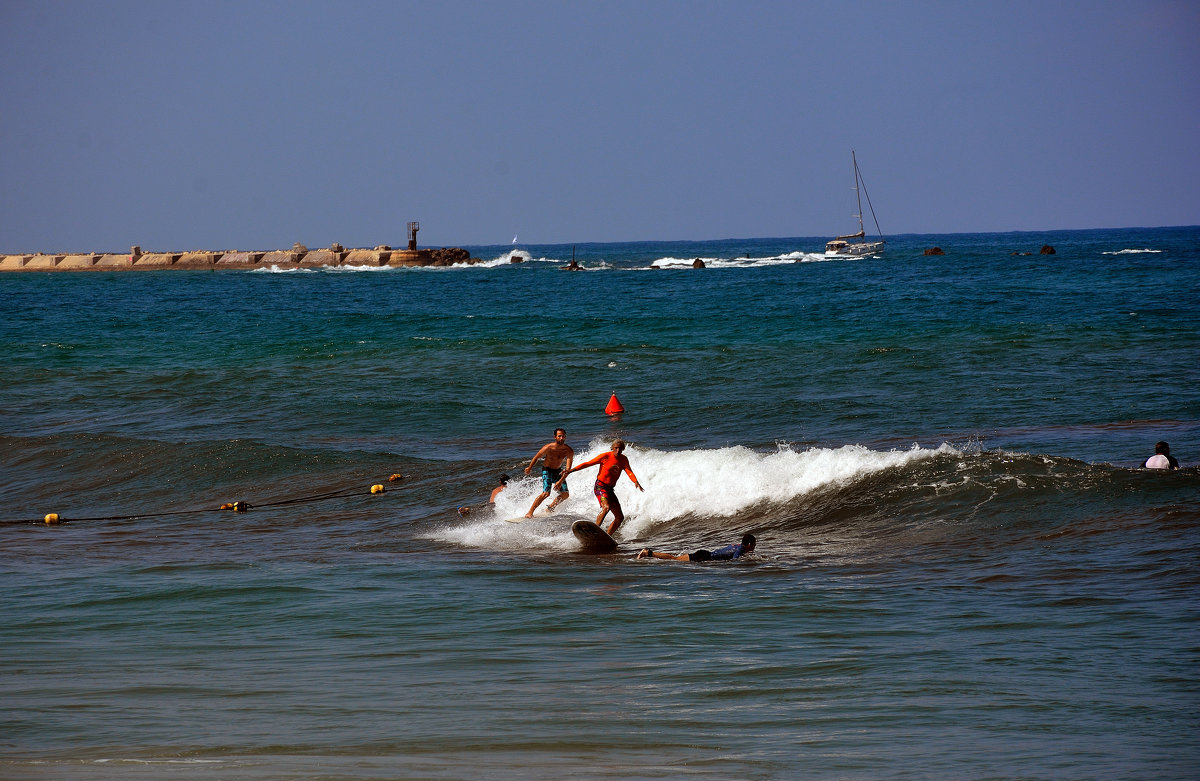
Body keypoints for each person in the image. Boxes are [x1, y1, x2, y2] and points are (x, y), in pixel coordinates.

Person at [556, 439, 643, 535]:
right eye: (616, 448)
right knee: (606, 507)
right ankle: (593, 531)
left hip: (610, 489)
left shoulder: (623, 459)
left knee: (619, 517)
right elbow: (588, 464)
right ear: (612, 448)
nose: (618, 450)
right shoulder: (605, 456)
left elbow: (629, 471)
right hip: (600, 486)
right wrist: (571, 470)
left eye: (620, 449)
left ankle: (607, 536)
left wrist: (636, 481)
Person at [523, 428, 575, 517]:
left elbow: (568, 469)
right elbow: (536, 457)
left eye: (563, 436)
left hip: (558, 471)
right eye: (559, 436)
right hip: (547, 471)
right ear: (555, 437)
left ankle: (550, 508)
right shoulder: (548, 447)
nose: (561, 438)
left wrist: (560, 481)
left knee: (565, 494)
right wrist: (529, 468)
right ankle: (530, 512)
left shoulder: (568, 450)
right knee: (546, 494)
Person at [638, 534, 756, 562]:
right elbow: (735, 561)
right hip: (704, 556)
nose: (755, 546)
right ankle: (649, 553)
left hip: (705, 554)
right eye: (754, 544)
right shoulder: (740, 550)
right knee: (674, 559)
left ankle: (649, 553)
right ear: (749, 545)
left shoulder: (737, 546)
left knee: (675, 558)